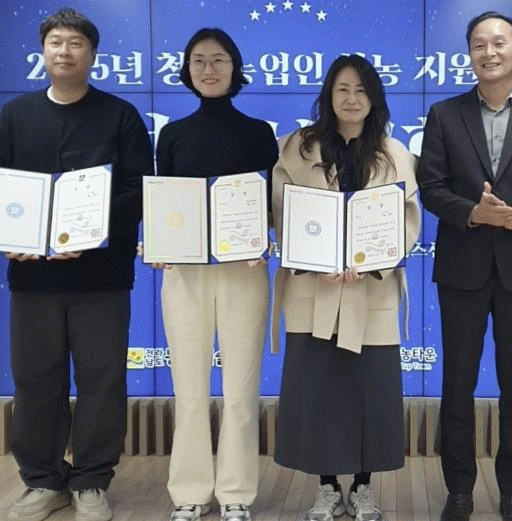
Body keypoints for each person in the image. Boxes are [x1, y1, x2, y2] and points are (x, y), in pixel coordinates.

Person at [0, 8, 153, 521]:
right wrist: (10, 238)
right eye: (56, 42)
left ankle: (90, 480)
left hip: (101, 277)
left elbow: (137, 191)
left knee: (102, 380)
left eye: (75, 43)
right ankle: (43, 481)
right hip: (32, 277)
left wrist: (87, 236)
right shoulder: (15, 116)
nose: (64, 51)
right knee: (35, 380)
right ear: (42, 51)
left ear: (93, 54)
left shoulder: (120, 116)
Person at [416, 11, 512, 521]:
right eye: (479, 44)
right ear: (469, 55)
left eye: (499, 43)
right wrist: (473, 213)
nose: (490, 52)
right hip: (462, 267)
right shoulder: (445, 114)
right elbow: (431, 187)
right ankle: (459, 490)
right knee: (457, 385)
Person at [271, 54, 421, 521]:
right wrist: (311, 260)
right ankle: (326, 487)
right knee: (318, 389)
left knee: (371, 392)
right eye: (342, 89)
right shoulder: (297, 148)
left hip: (370, 289)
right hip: (313, 289)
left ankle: (362, 487)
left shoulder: (394, 153)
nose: (352, 99)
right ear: (328, 96)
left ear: (374, 98)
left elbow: (408, 218)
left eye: (361, 90)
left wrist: (372, 263)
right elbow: (281, 211)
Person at [153, 28, 278, 521]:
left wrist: (265, 236)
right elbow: (166, 205)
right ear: (187, 70)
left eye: (219, 60)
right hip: (185, 274)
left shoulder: (259, 133)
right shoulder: (172, 135)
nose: (209, 69)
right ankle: (189, 491)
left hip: (244, 272)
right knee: (188, 387)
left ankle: (236, 494)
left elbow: (270, 206)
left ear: (234, 67)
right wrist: (158, 242)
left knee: (241, 388)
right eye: (199, 60)